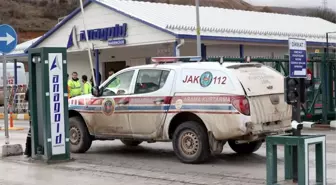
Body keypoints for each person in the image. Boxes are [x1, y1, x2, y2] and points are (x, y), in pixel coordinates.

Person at [24, 89, 31, 157]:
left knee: (31, 131)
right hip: (33, 111)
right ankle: (28, 150)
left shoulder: (29, 89)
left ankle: (28, 150)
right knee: (31, 131)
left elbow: (25, 99)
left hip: (30, 110)